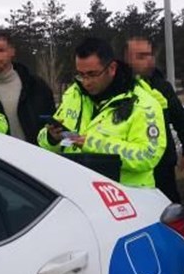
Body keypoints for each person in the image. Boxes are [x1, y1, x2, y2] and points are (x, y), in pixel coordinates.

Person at [38, 37, 166, 189]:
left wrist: (91, 144)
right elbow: (43, 141)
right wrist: (52, 138)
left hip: (127, 200)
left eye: (92, 74)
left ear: (112, 68)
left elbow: (147, 155)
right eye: (81, 74)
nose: (86, 82)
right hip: (78, 193)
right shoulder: (74, 95)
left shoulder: (144, 104)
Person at [125, 36, 184, 203]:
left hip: (163, 170)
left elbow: (182, 121)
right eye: (141, 56)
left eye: (150, 55)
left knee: (171, 218)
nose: (149, 61)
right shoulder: (119, 91)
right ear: (127, 60)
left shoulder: (162, 87)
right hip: (132, 174)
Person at [0, 29, 56, 143]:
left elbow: (51, 129)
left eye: (0, 50)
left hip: (32, 158)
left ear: (12, 51)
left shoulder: (36, 87)